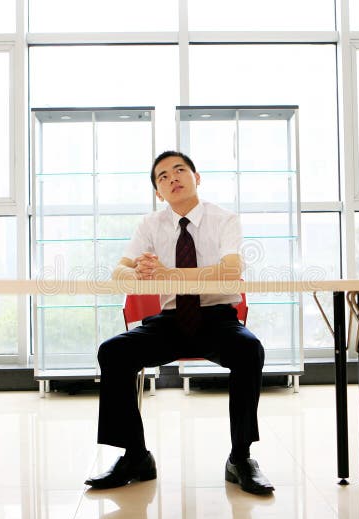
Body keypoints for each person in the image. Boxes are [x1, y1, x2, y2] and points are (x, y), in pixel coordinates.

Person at [84, 150, 274, 496]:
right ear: (158, 192)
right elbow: (118, 270)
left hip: (217, 319)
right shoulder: (150, 225)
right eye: (162, 176)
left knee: (249, 350)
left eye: (180, 170)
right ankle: (136, 456)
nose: (172, 178)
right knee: (113, 352)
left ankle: (241, 457)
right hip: (170, 321)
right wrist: (136, 271)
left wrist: (172, 274)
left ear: (196, 178)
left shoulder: (224, 219)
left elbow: (232, 270)